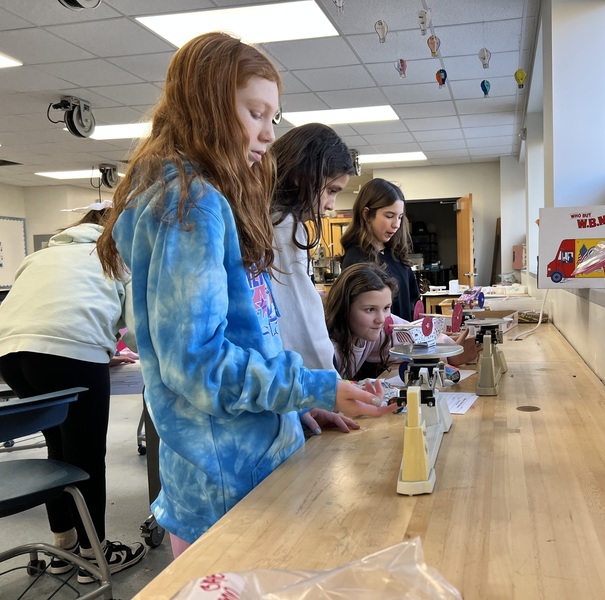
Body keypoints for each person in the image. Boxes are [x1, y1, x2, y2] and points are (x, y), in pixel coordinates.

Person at [95, 32, 394, 559]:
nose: (268, 134)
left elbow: (252, 335)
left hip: (252, 460)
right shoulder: (192, 205)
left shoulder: (208, 199)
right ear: (207, 106)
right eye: (255, 114)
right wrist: (315, 386)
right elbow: (199, 365)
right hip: (228, 484)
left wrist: (296, 405)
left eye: (273, 118)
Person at [0, 204, 145, 584]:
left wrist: (96, 349)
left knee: (58, 447)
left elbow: (44, 311)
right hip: (70, 354)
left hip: (11, 355)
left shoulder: (40, 256)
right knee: (86, 457)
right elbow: (136, 330)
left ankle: (62, 548)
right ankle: (95, 555)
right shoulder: (117, 256)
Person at [269, 123, 354, 372]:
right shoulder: (285, 227)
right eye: (331, 190)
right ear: (302, 176)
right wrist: (330, 382)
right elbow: (301, 319)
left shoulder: (264, 218)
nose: (331, 204)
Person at [325, 263, 480, 380]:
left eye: (386, 307)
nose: (381, 319)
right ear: (344, 307)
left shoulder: (376, 327)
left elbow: (414, 337)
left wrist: (448, 349)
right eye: (370, 309)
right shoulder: (327, 347)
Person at [340, 178, 420, 321]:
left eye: (400, 217)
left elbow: (413, 302)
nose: (396, 224)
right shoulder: (357, 260)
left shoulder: (397, 256)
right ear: (366, 214)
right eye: (389, 216)